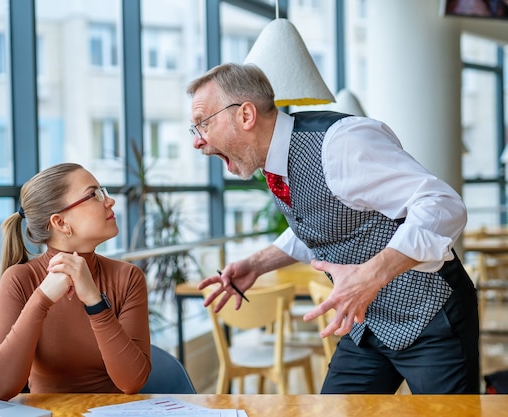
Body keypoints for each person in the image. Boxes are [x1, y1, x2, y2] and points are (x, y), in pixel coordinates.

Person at [188, 63, 479, 394]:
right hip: (366, 326)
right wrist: (257, 263)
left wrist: (371, 275)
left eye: (203, 123)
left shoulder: (341, 143)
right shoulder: (272, 160)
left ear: (245, 116)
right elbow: (323, 222)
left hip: (430, 319)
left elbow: (442, 205)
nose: (198, 142)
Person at [0, 163, 151, 400]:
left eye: (103, 191)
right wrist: (41, 299)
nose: (109, 201)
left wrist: (95, 301)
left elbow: (132, 381)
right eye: (94, 195)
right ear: (60, 223)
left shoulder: (128, 277)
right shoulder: (21, 279)